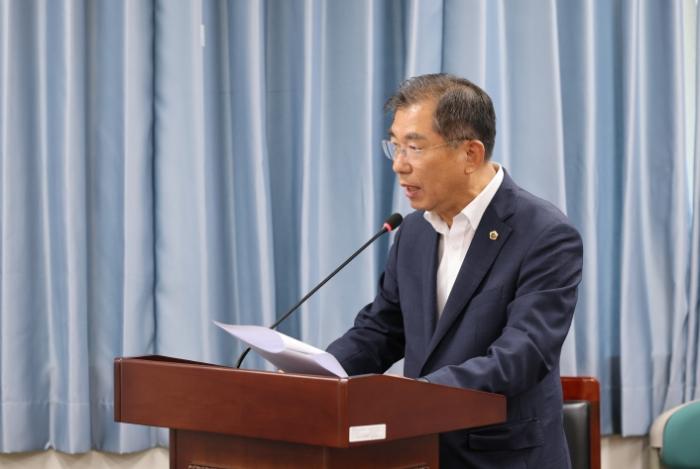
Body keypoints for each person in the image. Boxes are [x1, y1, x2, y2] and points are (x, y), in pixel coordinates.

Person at [326, 74, 583, 468]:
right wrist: (318, 375)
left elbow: (522, 355)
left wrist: (416, 394)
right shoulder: (413, 232)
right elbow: (382, 330)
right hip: (421, 452)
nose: (399, 165)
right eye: (395, 146)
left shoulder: (544, 234)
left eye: (414, 147)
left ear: (470, 154)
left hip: (502, 458)